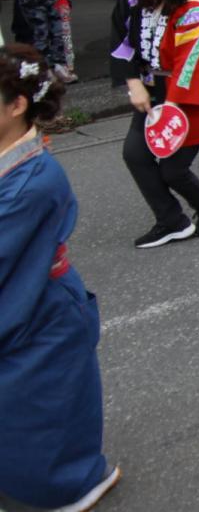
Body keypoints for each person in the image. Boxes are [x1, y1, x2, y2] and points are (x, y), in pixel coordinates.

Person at [0, 45, 123, 512]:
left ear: (17, 106)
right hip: (26, 294)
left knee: (40, 412)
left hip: (36, 306)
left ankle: (77, 483)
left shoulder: (34, 178)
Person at [110, 0, 199, 248]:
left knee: (173, 169)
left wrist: (168, 111)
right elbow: (121, 39)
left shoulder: (196, 10)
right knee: (135, 153)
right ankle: (171, 220)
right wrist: (133, 83)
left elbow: (188, 69)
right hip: (149, 88)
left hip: (190, 96)